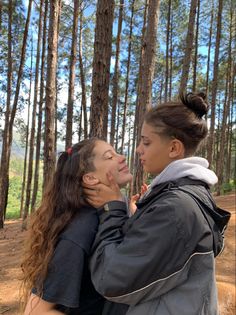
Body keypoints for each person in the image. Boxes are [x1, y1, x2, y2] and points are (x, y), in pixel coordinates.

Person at [84, 92, 231, 315]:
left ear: (173, 148)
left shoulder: (175, 207)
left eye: (146, 142)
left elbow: (112, 279)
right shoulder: (187, 193)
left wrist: (112, 208)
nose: (138, 149)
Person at [21, 138, 133, 315]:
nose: (122, 157)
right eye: (110, 156)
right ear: (90, 178)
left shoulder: (108, 214)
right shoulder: (82, 229)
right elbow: (35, 312)